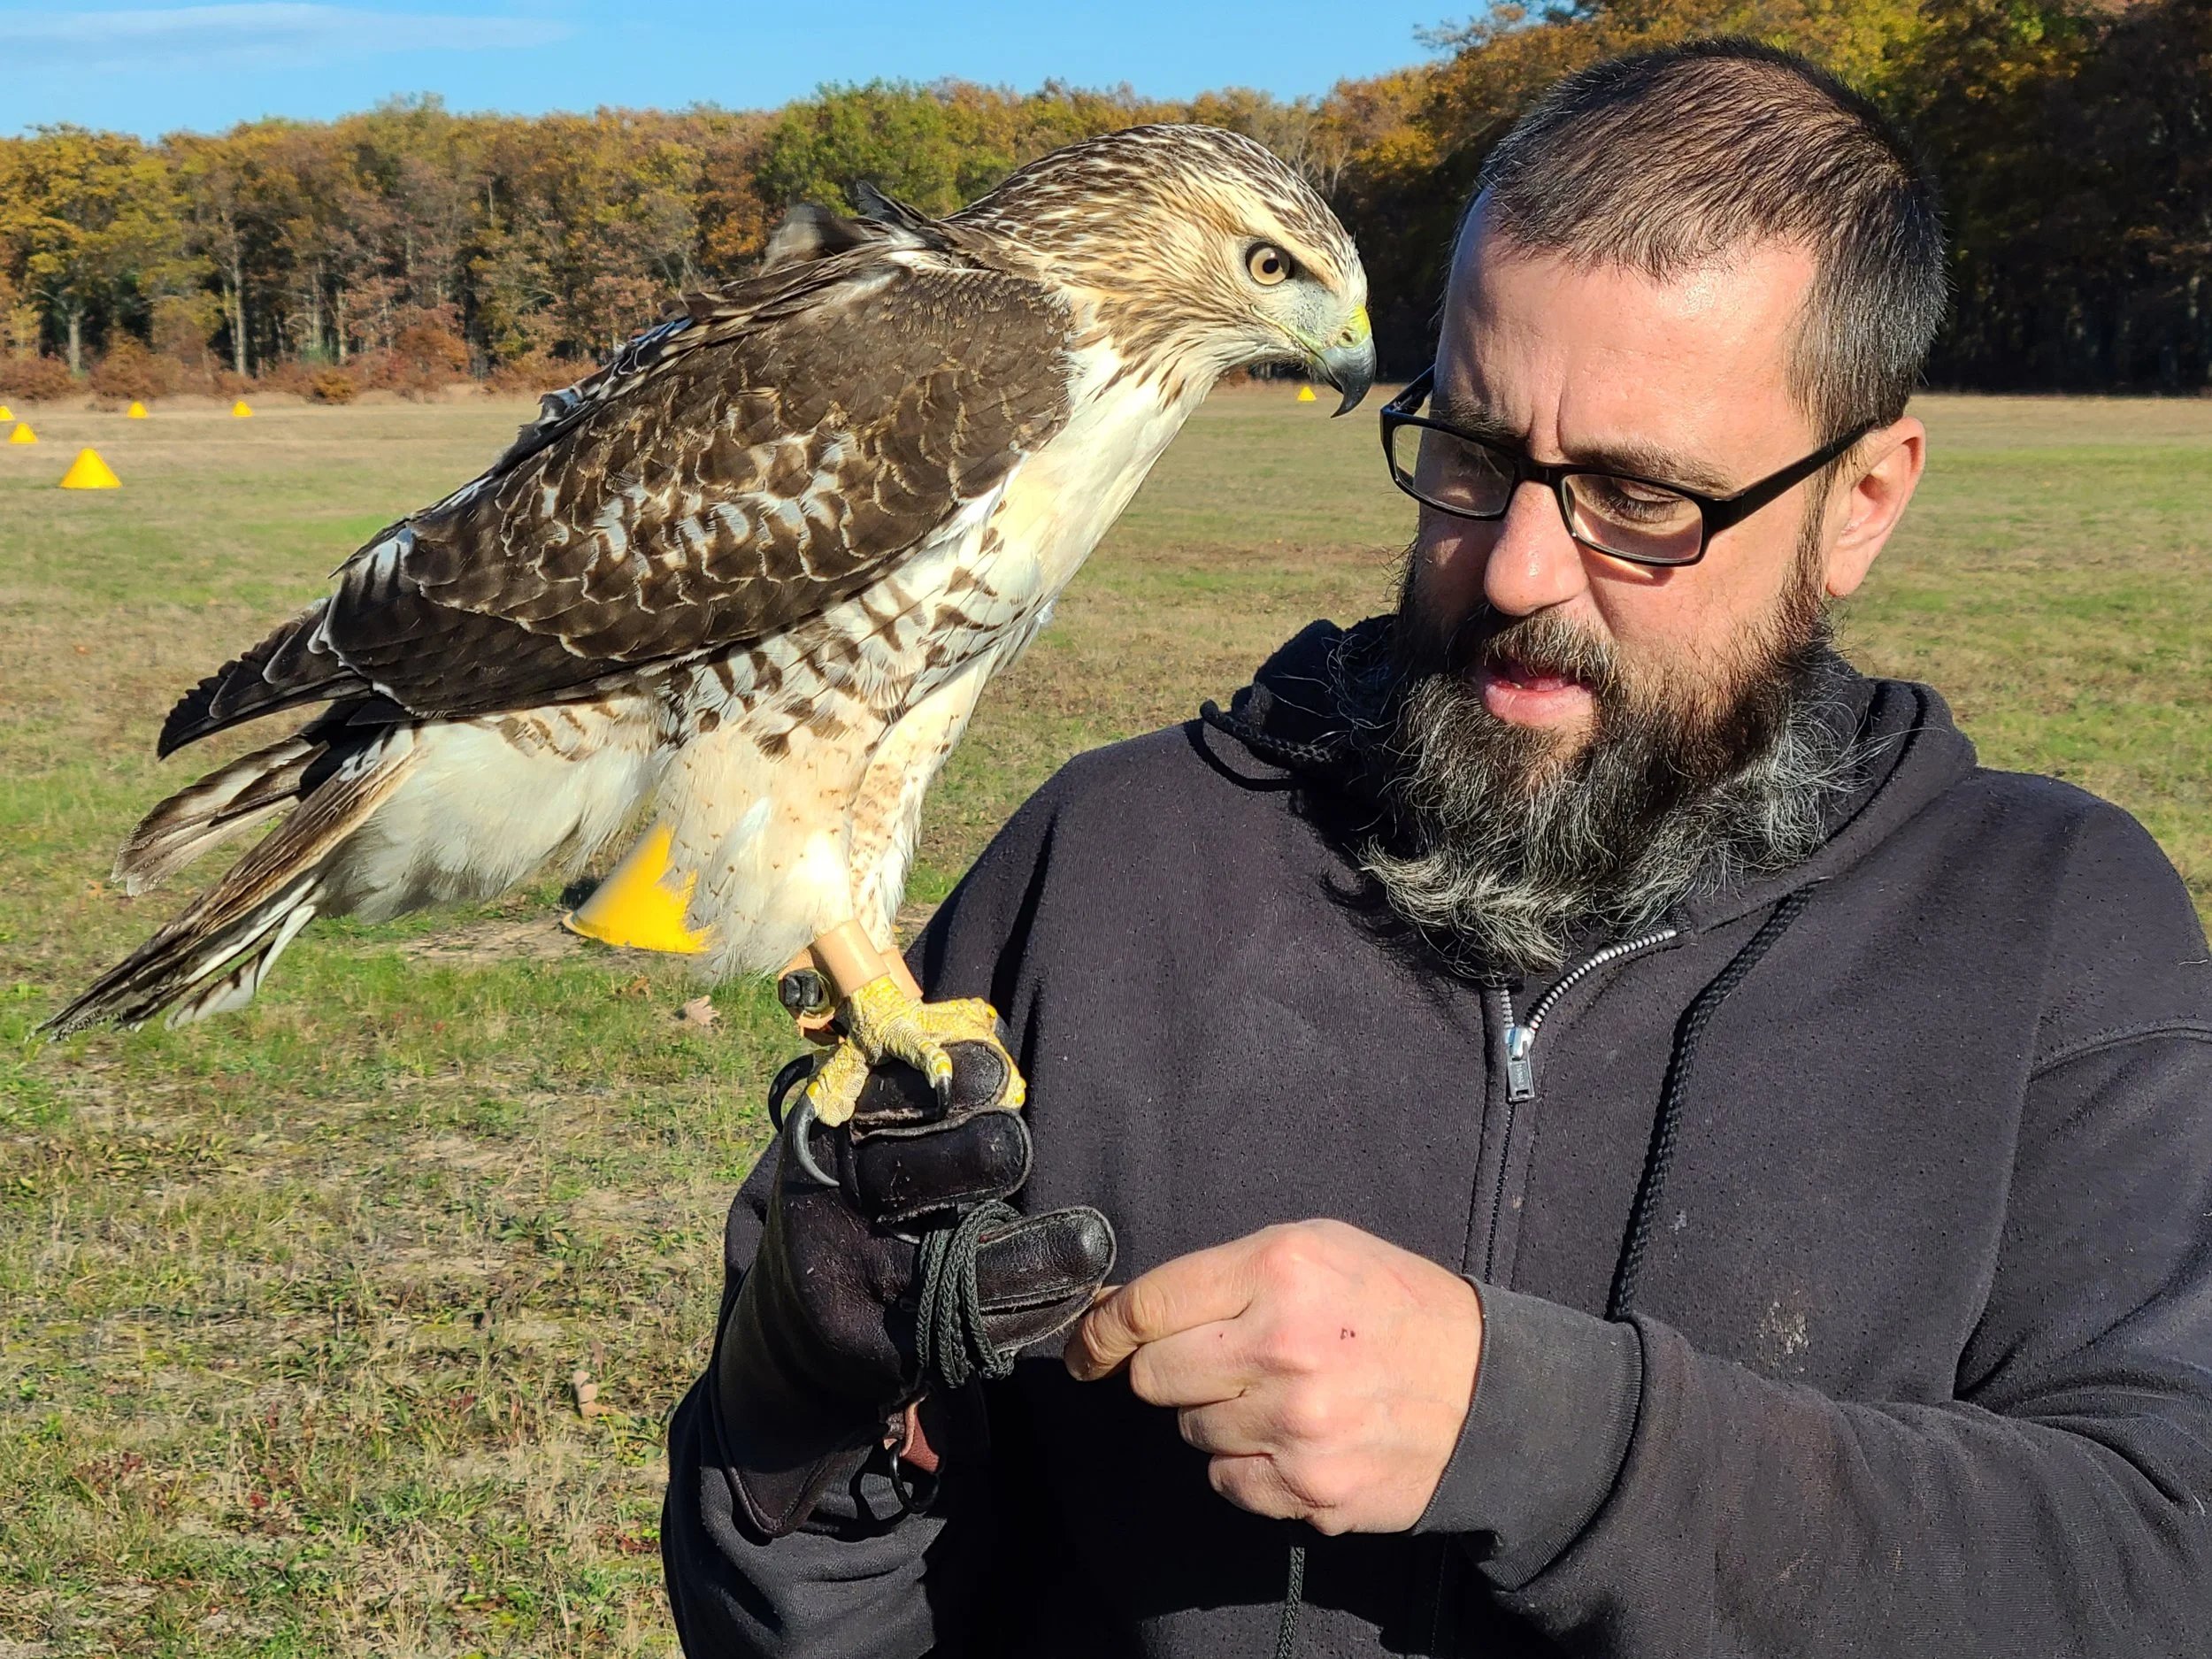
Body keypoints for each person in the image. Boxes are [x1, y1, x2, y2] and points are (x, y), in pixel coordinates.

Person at [662, 39, 2212, 1657]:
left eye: (1640, 495)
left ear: (1864, 498)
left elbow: (2163, 1568)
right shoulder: (1106, 861)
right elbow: (799, 1622)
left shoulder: (2051, 928)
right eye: (1472, 450)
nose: (1519, 565)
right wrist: (801, 1430)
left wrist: (1544, 1435)